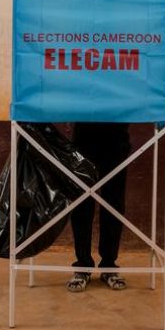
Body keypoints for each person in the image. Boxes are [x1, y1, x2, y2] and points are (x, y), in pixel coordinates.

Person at [66, 122, 131, 292]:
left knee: (113, 203)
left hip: (117, 135)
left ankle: (109, 265)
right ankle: (83, 266)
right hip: (84, 136)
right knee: (81, 203)